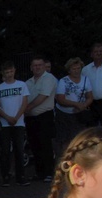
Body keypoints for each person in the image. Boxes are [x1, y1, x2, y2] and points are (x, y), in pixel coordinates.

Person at [0, 60, 31, 187]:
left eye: (11, 71)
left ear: (14, 71)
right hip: (5, 123)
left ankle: (20, 176)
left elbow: (25, 103)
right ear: (3, 73)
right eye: (7, 72)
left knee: (19, 150)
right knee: (5, 151)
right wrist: (7, 117)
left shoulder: (22, 85)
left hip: (19, 122)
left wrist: (16, 117)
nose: (9, 74)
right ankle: (5, 176)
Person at [25, 55, 58, 183]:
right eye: (35, 65)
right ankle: (39, 173)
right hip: (31, 118)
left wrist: (27, 108)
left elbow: (43, 96)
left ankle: (49, 173)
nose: (37, 67)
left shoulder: (49, 79)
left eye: (40, 65)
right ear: (31, 68)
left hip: (45, 116)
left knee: (46, 146)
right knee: (34, 146)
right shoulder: (28, 82)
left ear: (44, 66)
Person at [55, 57, 93, 158]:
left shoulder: (86, 79)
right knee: (64, 140)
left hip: (79, 114)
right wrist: (75, 104)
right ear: (69, 70)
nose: (76, 71)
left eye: (78, 68)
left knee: (79, 138)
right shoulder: (63, 81)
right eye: (74, 69)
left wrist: (83, 106)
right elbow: (60, 99)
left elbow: (90, 97)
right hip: (64, 115)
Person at [82, 42, 102, 127]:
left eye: (101, 51)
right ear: (91, 54)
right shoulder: (86, 69)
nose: (99, 53)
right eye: (96, 51)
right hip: (92, 103)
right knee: (91, 128)